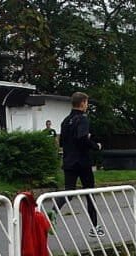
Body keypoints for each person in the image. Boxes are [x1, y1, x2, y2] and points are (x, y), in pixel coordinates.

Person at [52, 92, 104, 238]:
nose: (87, 106)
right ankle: (95, 227)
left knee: (69, 192)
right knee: (89, 193)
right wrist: (95, 145)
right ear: (82, 103)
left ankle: (53, 211)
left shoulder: (65, 121)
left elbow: (62, 142)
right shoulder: (82, 119)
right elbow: (82, 138)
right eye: (86, 103)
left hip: (68, 161)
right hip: (82, 162)